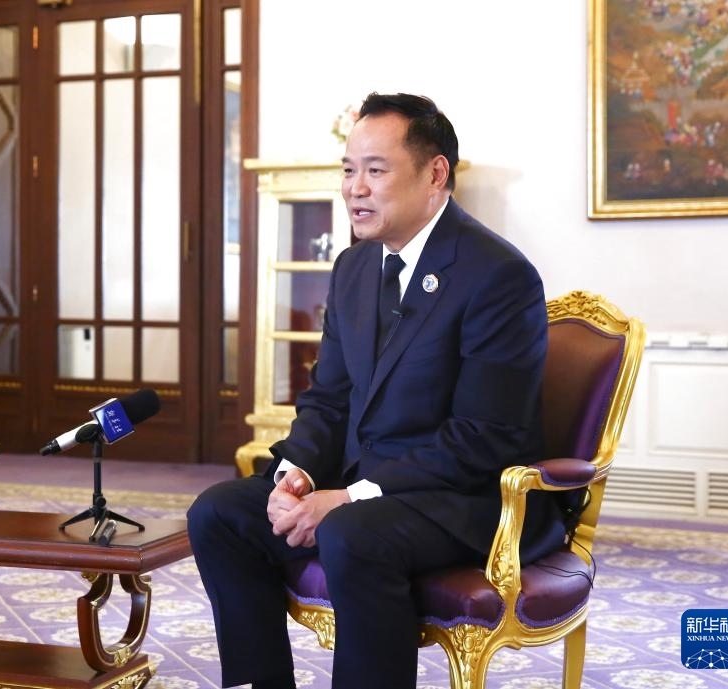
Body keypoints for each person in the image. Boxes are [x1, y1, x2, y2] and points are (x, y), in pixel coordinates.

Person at [187, 92, 566, 689]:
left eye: (375, 170)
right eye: (348, 170)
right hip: (364, 486)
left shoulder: (498, 276)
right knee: (220, 512)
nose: (355, 189)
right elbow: (328, 399)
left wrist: (348, 498)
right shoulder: (355, 268)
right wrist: (297, 476)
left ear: (435, 174)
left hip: (463, 497)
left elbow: (482, 438)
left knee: (351, 531)